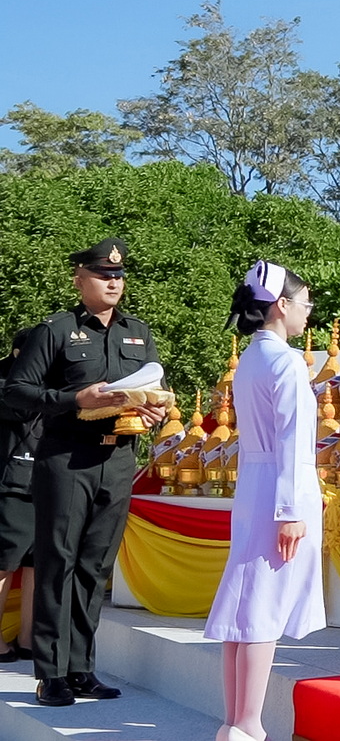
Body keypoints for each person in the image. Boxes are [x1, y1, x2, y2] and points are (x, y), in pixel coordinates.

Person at [5, 238, 166, 706]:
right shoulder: (56, 330)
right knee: (57, 563)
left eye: (118, 275)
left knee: (95, 566)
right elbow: (16, 390)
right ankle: (50, 673)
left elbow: (153, 388)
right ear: (80, 280)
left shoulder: (138, 332)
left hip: (118, 459)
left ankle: (81, 669)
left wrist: (155, 410)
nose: (113, 282)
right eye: (103, 275)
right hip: (66, 457)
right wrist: (74, 398)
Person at [204, 261, 325, 741]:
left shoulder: (253, 357)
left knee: (246, 604)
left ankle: (235, 720)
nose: (308, 311)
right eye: (305, 302)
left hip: (256, 484)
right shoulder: (286, 361)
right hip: (279, 486)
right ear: (281, 305)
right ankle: (248, 723)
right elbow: (293, 441)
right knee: (261, 609)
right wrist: (291, 510)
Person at [0, 327, 44, 663]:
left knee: (35, 565)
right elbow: (22, 409)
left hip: (45, 480)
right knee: (4, 563)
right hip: (11, 482)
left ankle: (28, 637)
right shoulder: (7, 382)